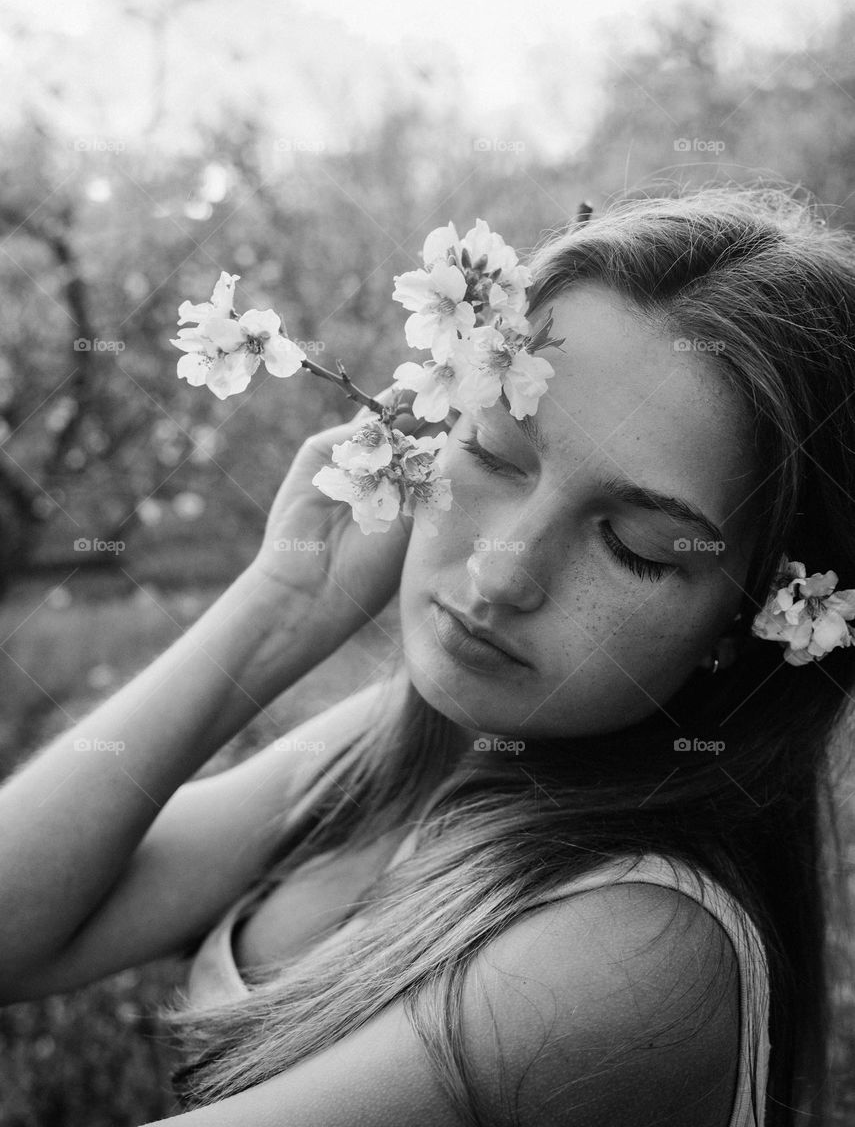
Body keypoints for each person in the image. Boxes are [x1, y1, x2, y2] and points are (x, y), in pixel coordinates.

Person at [0, 185, 852, 1127]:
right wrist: (278, 607)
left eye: (635, 547)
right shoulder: (402, 751)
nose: (500, 575)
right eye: (491, 454)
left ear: (760, 619)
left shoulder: (633, 947)